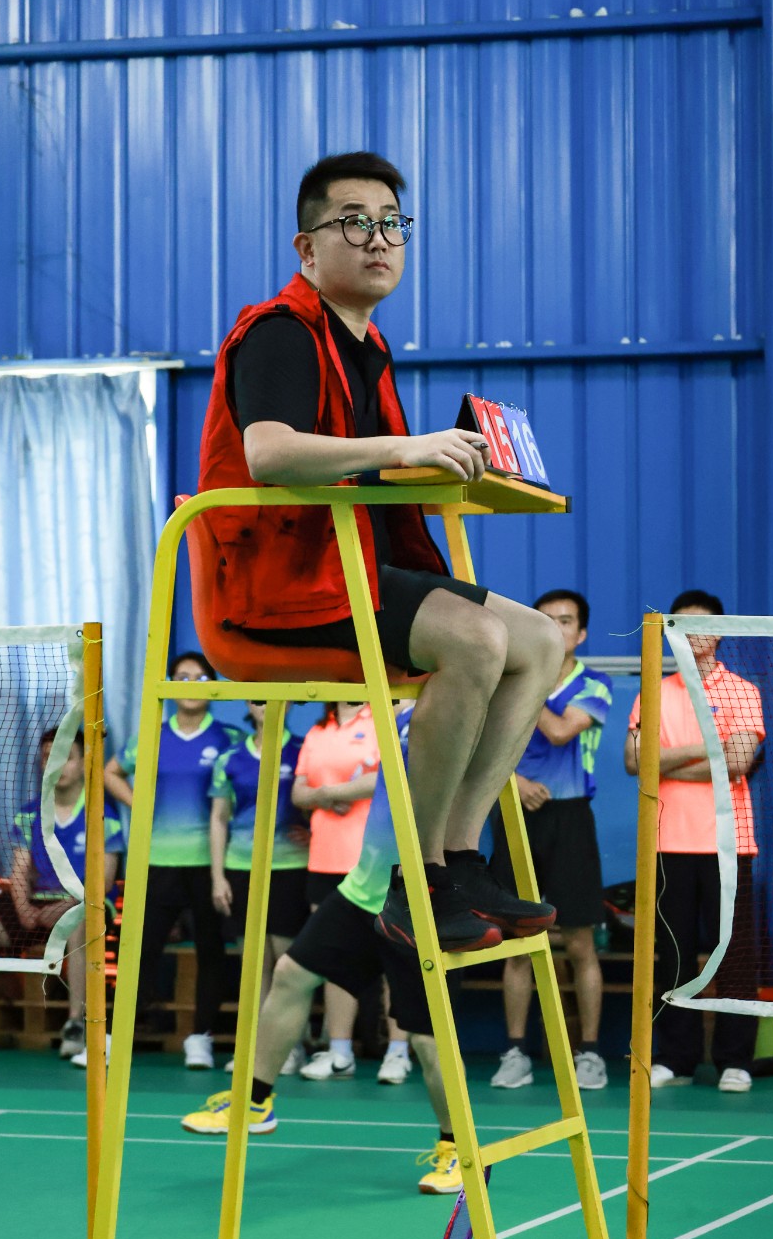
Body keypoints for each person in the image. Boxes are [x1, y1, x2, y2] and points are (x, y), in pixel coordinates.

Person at [198, 151, 563, 954]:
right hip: (277, 589)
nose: (378, 239)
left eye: (393, 223)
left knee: (541, 641)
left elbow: (374, 475)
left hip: (348, 569)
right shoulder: (279, 334)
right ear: (306, 248)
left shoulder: (367, 348)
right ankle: (416, 878)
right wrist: (407, 446)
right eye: (354, 222)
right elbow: (269, 453)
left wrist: (463, 465)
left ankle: (458, 857)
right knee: (475, 640)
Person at [182, 703, 463, 1196]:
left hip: (420, 900)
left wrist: (332, 791)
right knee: (292, 974)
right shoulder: (394, 717)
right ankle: (255, 1101)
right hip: (363, 886)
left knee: (426, 1037)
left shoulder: (456, 715)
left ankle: (456, 1146)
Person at [625, 590, 765, 1093]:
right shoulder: (653, 692)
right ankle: (677, 1059)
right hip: (667, 843)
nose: (691, 634)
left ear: (720, 632)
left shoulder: (743, 691)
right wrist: (707, 746)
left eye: (701, 624)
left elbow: (738, 763)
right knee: (673, 956)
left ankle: (735, 1060)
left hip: (729, 842)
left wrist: (667, 760)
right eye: (680, 625)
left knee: (735, 956)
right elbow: (634, 761)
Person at [0, 727, 118, 1063]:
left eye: (66, 757)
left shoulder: (101, 814)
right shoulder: (30, 814)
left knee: (78, 922)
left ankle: (76, 1024)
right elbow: (19, 871)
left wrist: (67, 905)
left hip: (84, 906)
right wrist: (24, 907)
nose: (56, 764)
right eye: (48, 758)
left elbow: (104, 881)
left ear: (84, 762)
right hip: (38, 905)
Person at [489, 590, 614, 1091]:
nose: (554, 629)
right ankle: (515, 1051)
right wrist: (514, 781)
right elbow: (483, 747)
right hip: (515, 814)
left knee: (579, 943)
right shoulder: (504, 681)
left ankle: (591, 1053)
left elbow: (562, 731)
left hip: (570, 819)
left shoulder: (595, 685)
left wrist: (529, 683)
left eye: (564, 621)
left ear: (580, 633)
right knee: (518, 942)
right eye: (543, 621)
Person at [104, 650, 241, 1069]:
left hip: (210, 866)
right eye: (182, 677)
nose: (191, 685)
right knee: (140, 949)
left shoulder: (229, 738)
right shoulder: (152, 735)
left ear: (214, 687)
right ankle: (118, 1035)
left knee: (211, 951)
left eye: (201, 678)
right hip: (156, 862)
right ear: (169, 685)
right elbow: (111, 772)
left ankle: (200, 1038)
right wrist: (140, 805)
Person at [209, 700, 308, 1073]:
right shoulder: (230, 758)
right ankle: (252, 1047)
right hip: (241, 867)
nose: (266, 704)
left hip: (290, 868)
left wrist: (314, 833)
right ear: (248, 705)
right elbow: (219, 818)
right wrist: (218, 876)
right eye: (258, 699)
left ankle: (290, 1046)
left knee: (286, 963)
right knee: (253, 964)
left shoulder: (303, 749)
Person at [291, 700, 380, 1080]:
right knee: (334, 957)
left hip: (373, 857)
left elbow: (390, 776)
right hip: (324, 859)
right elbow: (298, 792)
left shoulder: (383, 719)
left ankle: (396, 1051)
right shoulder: (318, 730)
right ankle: (340, 1051)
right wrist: (326, 797)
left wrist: (335, 791)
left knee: (391, 955)